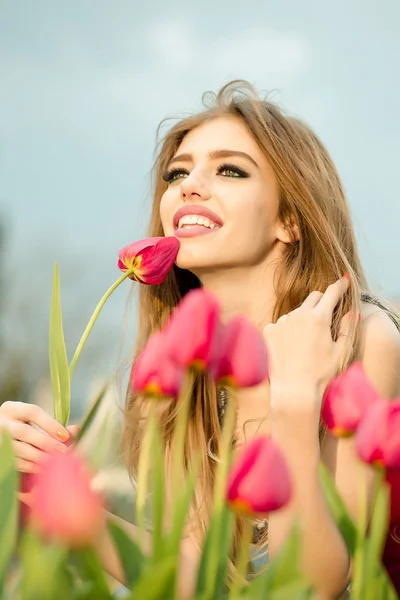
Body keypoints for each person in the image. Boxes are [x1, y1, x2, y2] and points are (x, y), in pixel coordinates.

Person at [2, 80, 400, 600]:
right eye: (177, 172)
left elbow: (315, 585)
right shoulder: (186, 367)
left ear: (289, 219)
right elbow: (202, 582)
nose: (188, 186)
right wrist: (44, 491)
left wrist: (296, 403)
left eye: (229, 169)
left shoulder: (360, 340)